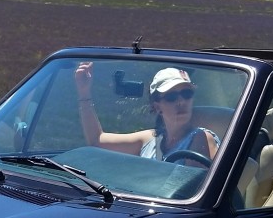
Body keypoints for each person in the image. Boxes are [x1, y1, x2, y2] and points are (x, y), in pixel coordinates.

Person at [74, 62, 219, 163]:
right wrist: (84, 92)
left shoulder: (201, 138)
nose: (181, 101)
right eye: (171, 97)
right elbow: (97, 140)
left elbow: (194, 191)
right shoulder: (150, 138)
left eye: (187, 94)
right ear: (157, 106)